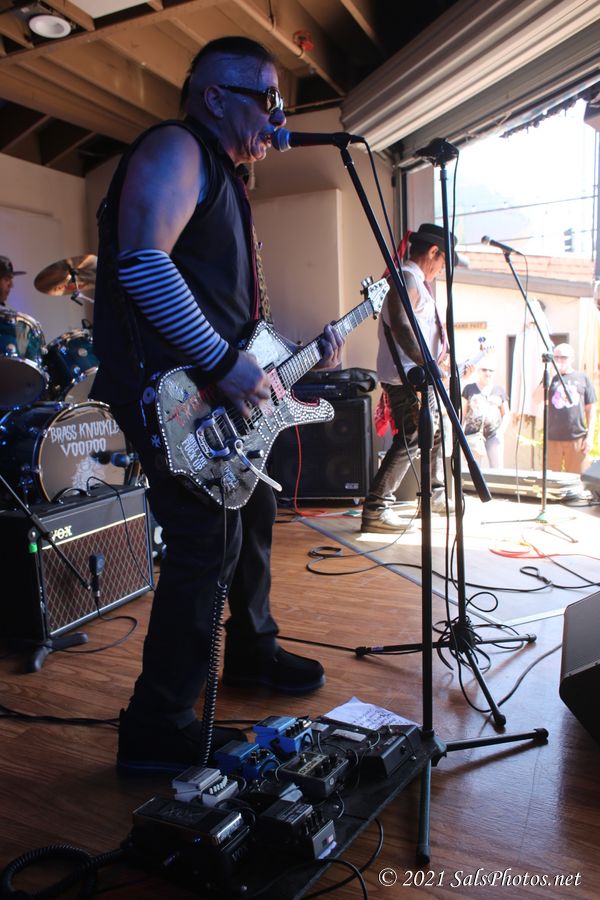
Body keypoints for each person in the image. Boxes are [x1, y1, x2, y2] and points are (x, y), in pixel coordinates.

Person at [91, 36, 343, 774]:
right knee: (205, 544)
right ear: (213, 96)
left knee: (252, 511)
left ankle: (252, 652)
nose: (277, 115)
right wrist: (224, 364)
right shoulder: (176, 147)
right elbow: (142, 262)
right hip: (170, 393)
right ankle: (158, 726)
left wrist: (272, 360)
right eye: (267, 98)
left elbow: (226, 314)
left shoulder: (227, 180)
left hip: (210, 388)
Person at [361, 223, 454, 533]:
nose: (442, 270)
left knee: (434, 433)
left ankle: (434, 496)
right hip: (408, 379)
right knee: (412, 436)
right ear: (433, 252)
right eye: (443, 262)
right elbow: (401, 324)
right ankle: (376, 508)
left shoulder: (414, 280)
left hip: (418, 377)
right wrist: (426, 362)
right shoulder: (407, 278)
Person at [543, 343, 597, 474]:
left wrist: (590, 437)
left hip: (576, 438)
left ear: (572, 358)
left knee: (578, 479)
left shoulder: (582, 378)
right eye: (556, 357)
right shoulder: (550, 378)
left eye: (563, 357)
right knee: (551, 480)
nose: (559, 360)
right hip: (553, 439)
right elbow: (536, 398)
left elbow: (591, 409)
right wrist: (550, 377)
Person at [461, 360, 510, 468]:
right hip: (473, 435)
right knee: (474, 468)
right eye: (484, 370)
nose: (487, 373)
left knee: (497, 468)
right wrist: (460, 432)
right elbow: (463, 414)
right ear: (478, 371)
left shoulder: (499, 390)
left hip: (493, 434)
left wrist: (501, 432)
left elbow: (506, 414)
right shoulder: (469, 389)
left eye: (490, 370)